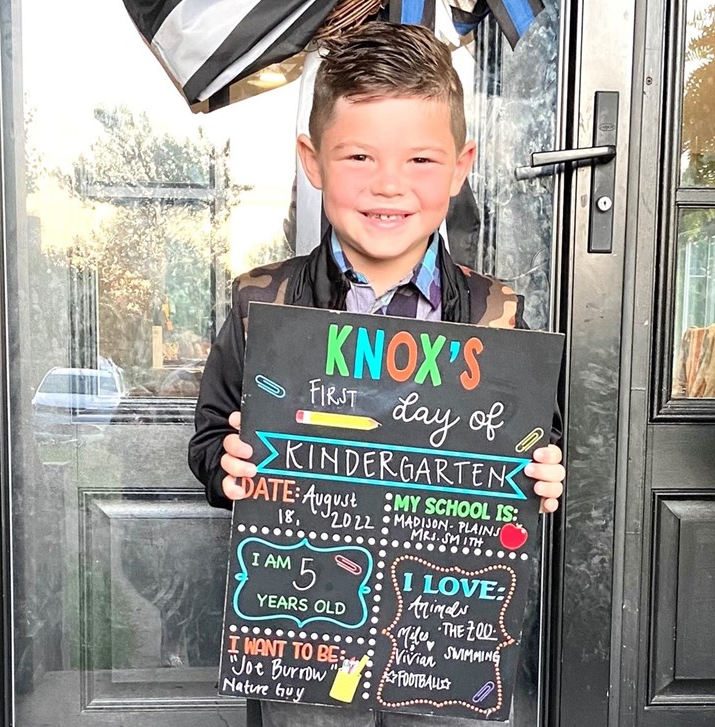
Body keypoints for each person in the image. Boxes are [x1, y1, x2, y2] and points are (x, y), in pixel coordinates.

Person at [188, 21, 566, 727]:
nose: (389, 185)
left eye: (421, 160)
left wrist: (544, 473)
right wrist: (228, 466)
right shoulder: (260, 302)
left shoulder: (497, 312)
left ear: (461, 166)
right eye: (358, 155)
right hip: (307, 630)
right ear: (312, 159)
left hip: (444, 635)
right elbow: (210, 436)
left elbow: (535, 445)